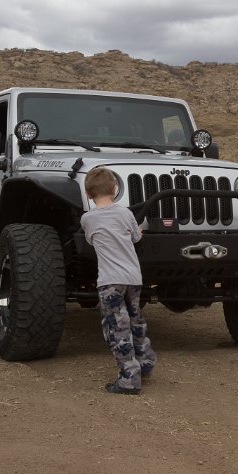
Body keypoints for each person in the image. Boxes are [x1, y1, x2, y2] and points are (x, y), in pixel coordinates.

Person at [80, 167, 156, 394]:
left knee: (117, 328)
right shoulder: (126, 214)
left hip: (110, 281)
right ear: (115, 189)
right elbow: (136, 237)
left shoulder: (87, 219)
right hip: (133, 278)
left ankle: (129, 379)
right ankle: (145, 362)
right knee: (135, 320)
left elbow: (92, 241)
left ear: (88, 194)